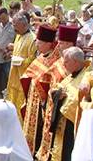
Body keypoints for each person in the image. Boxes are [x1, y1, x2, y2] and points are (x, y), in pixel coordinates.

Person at [40, 45, 90, 161]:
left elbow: (76, 100)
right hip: (63, 122)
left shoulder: (86, 77)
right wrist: (57, 93)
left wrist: (64, 95)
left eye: (66, 61)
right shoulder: (73, 74)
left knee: (67, 155)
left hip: (72, 124)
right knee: (58, 153)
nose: (64, 64)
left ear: (76, 61)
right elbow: (59, 87)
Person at [19, 24, 61, 153]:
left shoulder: (54, 60)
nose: (36, 44)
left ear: (48, 44)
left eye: (39, 42)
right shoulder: (41, 56)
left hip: (42, 104)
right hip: (32, 99)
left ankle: (36, 150)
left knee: (39, 127)